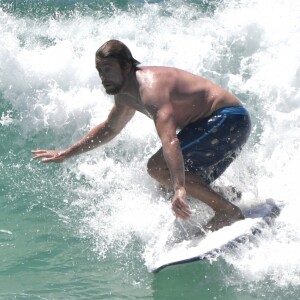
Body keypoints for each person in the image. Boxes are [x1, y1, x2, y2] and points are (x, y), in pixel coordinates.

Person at [32, 39, 251, 232]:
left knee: (157, 168)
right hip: (220, 126)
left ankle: (227, 211)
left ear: (126, 66)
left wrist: (180, 188)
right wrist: (67, 152)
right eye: (99, 71)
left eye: (107, 69)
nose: (102, 77)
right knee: (166, 188)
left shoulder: (150, 89)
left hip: (228, 120)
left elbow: (170, 140)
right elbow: (110, 128)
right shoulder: (126, 95)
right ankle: (228, 195)